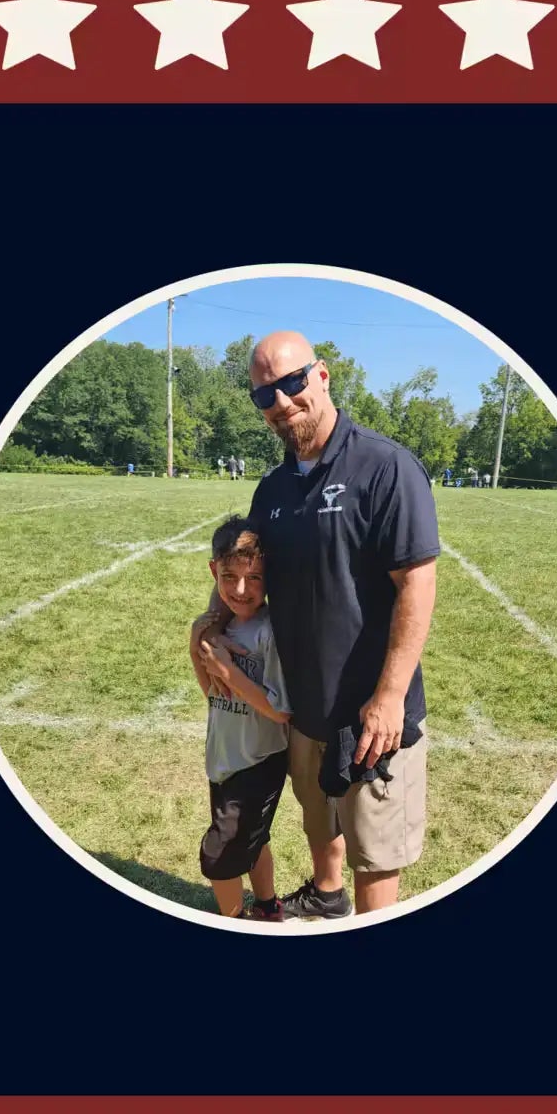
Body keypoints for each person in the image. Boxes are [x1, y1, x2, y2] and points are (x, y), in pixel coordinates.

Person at [190, 331, 440, 918]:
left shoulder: (385, 466)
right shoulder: (273, 488)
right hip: (302, 708)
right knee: (316, 813)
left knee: (375, 852)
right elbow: (244, 569)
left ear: (322, 375)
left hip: (372, 715)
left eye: (292, 382)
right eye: (264, 395)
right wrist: (211, 620)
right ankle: (327, 898)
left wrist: (389, 696)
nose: (281, 402)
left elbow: (418, 586)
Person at [192, 516, 291, 920]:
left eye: (254, 578)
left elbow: (281, 710)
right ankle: (267, 906)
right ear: (214, 570)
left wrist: (227, 667)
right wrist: (196, 643)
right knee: (253, 838)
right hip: (224, 758)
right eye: (229, 576)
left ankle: (235, 922)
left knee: (219, 854)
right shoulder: (221, 624)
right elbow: (213, 695)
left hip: (259, 759)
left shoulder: (270, 631)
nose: (240, 589)